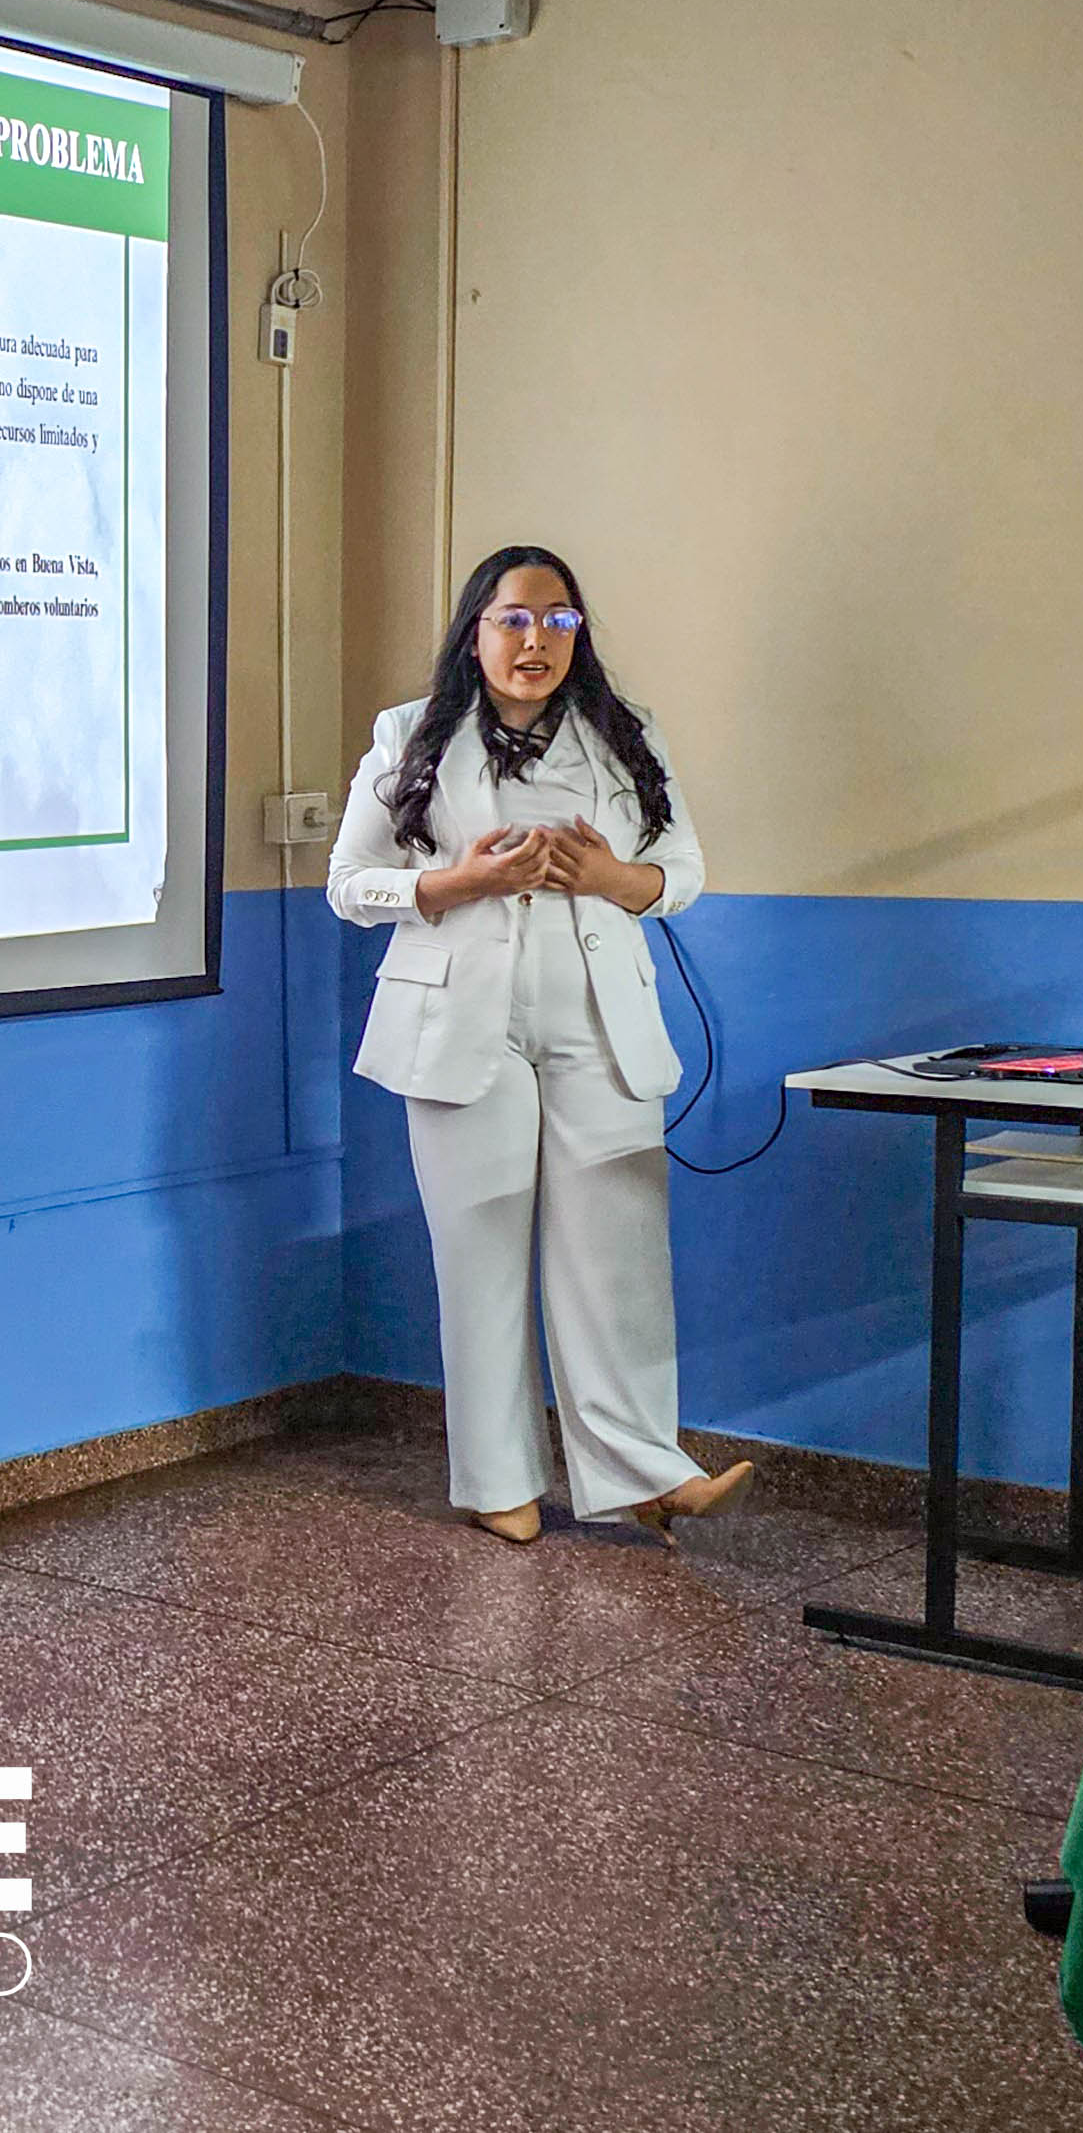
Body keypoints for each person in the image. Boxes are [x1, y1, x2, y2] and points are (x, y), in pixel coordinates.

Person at [328, 545, 755, 1549]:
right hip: (457, 1020)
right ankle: (494, 1480)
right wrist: (448, 885)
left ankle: (646, 1472)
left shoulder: (625, 731)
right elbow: (350, 883)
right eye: (514, 619)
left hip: (598, 1020)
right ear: (475, 630)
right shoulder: (410, 734)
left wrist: (614, 876)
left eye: (558, 620)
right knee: (477, 1250)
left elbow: (680, 869)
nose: (536, 640)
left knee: (619, 1250)